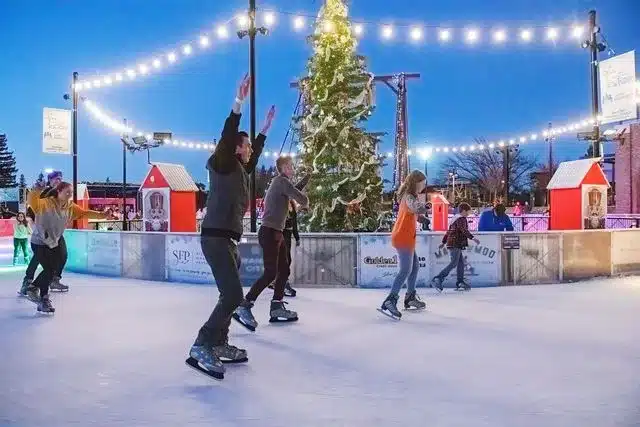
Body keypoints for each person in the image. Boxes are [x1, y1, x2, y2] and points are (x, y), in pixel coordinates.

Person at [187, 74, 275, 379]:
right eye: (247, 145)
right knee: (234, 295)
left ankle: (220, 342)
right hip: (215, 238)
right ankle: (202, 343)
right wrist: (238, 102)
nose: (250, 149)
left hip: (227, 240)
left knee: (230, 293)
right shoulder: (224, 161)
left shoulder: (238, 168)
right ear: (236, 149)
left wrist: (263, 131)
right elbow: (227, 136)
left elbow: (254, 159)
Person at [234, 156, 309, 329]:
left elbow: (294, 193)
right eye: (289, 166)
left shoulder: (282, 183)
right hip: (270, 232)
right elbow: (300, 196)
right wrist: (305, 200)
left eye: (292, 166)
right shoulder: (281, 181)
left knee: (284, 269)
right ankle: (245, 306)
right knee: (270, 273)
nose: (293, 169)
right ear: (282, 168)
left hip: (277, 232)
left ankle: (276, 305)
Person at [25, 181, 108, 313]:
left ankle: (37, 291)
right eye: (67, 192)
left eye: (71, 192)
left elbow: (85, 213)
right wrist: (35, 190)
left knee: (52, 269)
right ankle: (38, 292)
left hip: (54, 242)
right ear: (58, 192)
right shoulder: (45, 203)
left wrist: (101, 215)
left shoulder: (70, 207)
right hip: (39, 242)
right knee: (49, 269)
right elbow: (32, 200)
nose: (70, 195)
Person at [379, 170, 429, 319]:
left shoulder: (408, 197)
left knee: (415, 267)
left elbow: (409, 213)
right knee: (405, 270)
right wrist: (425, 207)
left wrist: (421, 220)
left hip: (407, 237)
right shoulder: (409, 197)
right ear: (416, 182)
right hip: (403, 238)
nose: (423, 186)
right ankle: (390, 300)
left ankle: (410, 297)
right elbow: (415, 208)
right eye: (422, 183)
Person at [19, 170, 69, 297]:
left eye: (60, 179)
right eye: (55, 179)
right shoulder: (45, 193)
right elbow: (35, 206)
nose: (58, 181)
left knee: (62, 255)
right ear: (50, 180)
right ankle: (28, 281)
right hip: (43, 232)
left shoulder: (62, 193)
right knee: (38, 257)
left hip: (56, 232)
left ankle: (54, 279)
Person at [431, 202, 479, 292]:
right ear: (464, 211)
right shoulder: (461, 219)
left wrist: (443, 242)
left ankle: (460, 282)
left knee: (460, 263)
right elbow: (464, 230)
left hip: (453, 243)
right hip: (455, 243)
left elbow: (448, 231)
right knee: (454, 263)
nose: (469, 213)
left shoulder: (455, 218)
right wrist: (473, 238)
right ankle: (438, 278)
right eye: (468, 211)